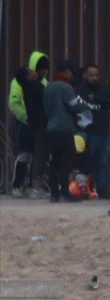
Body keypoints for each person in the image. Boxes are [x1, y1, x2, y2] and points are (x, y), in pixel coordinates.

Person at [43, 62, 88, 203]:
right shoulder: (66, 87)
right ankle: (64, 193)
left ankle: (54, 195)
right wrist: (84, 106)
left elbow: (46, 109)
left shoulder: (48, 87)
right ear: (67, 71)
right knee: (65, 163)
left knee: (54, 163)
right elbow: (73, 105)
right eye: (72, 73)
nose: (72, 76)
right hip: (65, 128)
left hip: (51, 128)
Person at [8, 54, 49, 197]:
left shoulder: (43, 83)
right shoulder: (18, 82)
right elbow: (13, 103)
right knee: (24, 154)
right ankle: (17, 186)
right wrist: (26, 118)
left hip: (39, 124)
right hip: (24, 123)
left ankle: (33, 186)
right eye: (41, 68)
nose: (44, 71)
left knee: (37, 156)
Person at [74, 64, 110, 196]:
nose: (94, 78)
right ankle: (83, 190)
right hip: (87, 132)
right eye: (91, 75)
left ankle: (103, 191)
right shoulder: (79, 90)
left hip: (102, 133)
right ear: (85, 75)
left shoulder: (104, 90)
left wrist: (97, 99)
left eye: (96, 75)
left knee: (101, 164)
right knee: (86, 163)